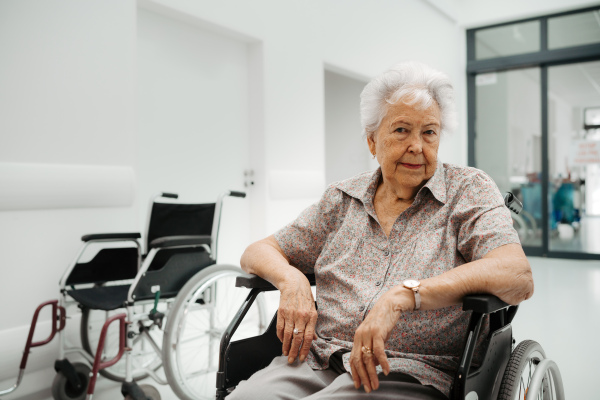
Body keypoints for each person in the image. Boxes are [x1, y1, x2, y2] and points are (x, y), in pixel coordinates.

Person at [231, 61, 534, 400]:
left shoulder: (467, 190)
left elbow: (516, 274)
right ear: (373, 141)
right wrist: (292, 280)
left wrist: (404, 296)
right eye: (402, 130)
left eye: (429, 132)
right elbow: (256, 252)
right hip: (316, 360)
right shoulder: (342, 198)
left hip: (410, 370)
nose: (417, 146)